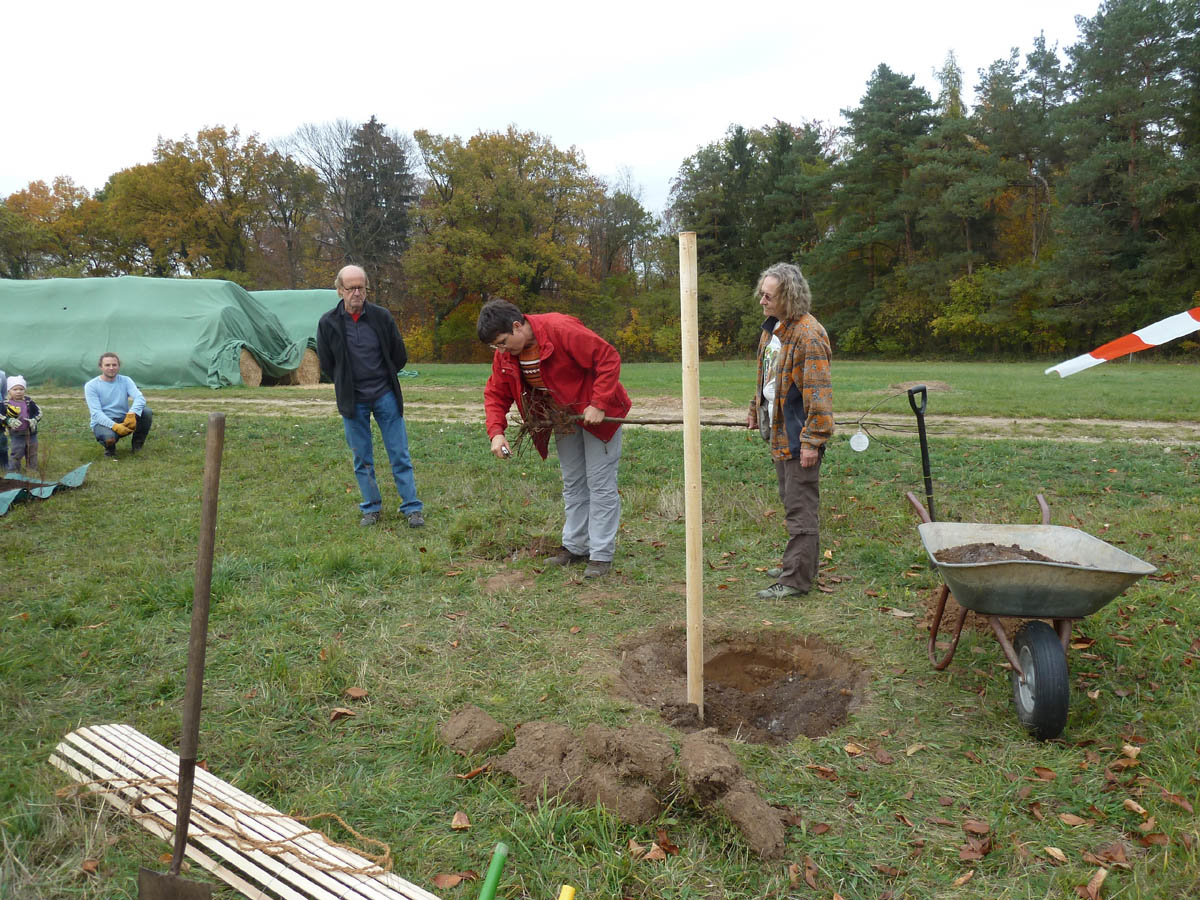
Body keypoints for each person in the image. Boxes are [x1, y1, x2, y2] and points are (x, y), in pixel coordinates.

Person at [478, 299, 631, 579]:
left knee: (600, 483)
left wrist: (598, 403)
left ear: (516, 326)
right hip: (563, 418)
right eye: (496, 347)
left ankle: (601, 555)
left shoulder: (561, 329)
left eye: (502, 342)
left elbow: (608, 358)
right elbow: (496, 393)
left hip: (599, 414)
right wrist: (496, 432)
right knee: (573, 481)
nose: (500, 350)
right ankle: (576, 546)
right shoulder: (507, 355)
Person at [746, 262, 833, 599]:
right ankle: (797, 562)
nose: (762, 301)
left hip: (799, 438)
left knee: (800, 506)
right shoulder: (774, 329)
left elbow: (818, 394)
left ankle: (796, 579)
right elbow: (769, 375)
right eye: (762, 294)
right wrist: (756, 407)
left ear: (788, 296)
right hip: (779, 432)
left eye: (768, 296)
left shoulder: (808, 335)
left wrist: (812, 441)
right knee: (791, 500)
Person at [316, 264, 424, 528]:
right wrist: (345, 383)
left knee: (399, 453)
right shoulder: (328, 323)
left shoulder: (382, 317)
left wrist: (383, 378)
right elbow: (327, 364)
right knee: (361, 457)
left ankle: (412, 508)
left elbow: (399, 355)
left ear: (366, 288)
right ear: (340, 290)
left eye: (361, 287)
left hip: (385, 395)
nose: (357, 293)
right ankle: (371, 508)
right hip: (353, 400)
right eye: (351, 288)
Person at [84, 353, 153, 459]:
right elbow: (96, 413)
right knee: (109, 438)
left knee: (146, 412)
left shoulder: (126, 380)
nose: (111, 368)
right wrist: (114, 426)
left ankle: (137, 447)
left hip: (123, 418)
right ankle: (110, 450)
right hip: (103, 423)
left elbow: (140, 398)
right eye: (107, 365)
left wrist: (132, 413)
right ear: (100, 367)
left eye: (114, 365)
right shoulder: (91, 386)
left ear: (118, 366)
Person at [4, 375, 41, 472]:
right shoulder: (6, 404)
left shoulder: (29, 401)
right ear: (9, 391)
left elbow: (39, 412)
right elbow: (1, 416)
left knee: (32, 452)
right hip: (17, 434)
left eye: (21, 389)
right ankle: (14, 471)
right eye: (15, 389)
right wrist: (9, 420)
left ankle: (32, 470)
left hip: (31, 433)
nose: (18, 391)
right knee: (17, 452)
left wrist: (34, 420)